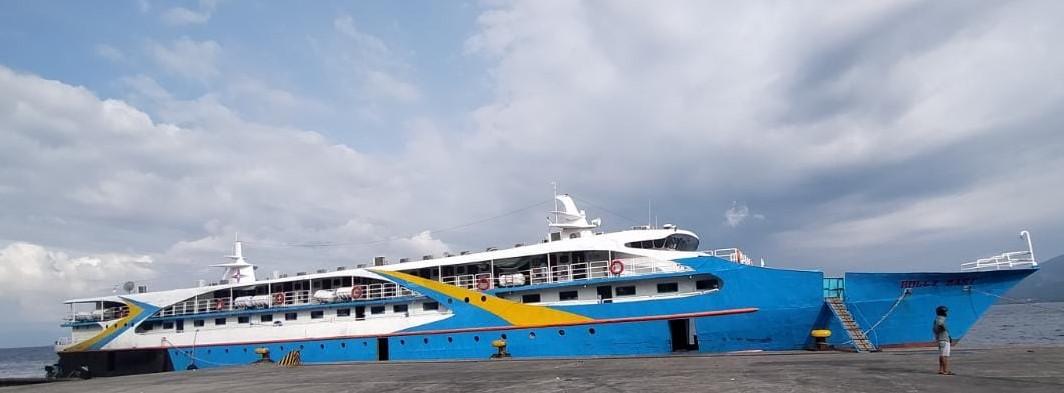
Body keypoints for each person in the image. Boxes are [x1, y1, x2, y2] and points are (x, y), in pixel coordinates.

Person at [933, 305, 953, 375]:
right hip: (944, 339)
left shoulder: (937, 319)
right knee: (945, 356)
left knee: (942, 355)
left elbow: (935, 329)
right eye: (946, 311)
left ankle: (941, 370)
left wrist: (948, 336)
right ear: (943, 312)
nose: (947, 313)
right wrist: (945, 329)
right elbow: (941, 324)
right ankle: (945, 370)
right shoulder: (941, 319)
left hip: (942, 339)